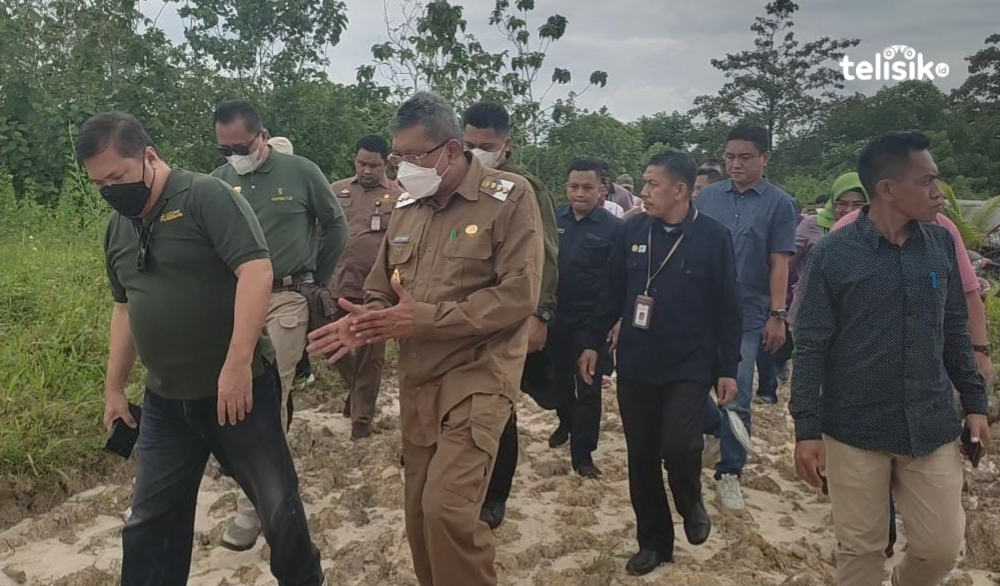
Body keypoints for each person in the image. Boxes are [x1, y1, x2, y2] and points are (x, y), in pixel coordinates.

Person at [307, 91, 543, 586]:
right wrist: (365, 321)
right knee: (417, 517)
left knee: (448, 513)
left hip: (479, 376)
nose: (405, 167)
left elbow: (519, 296)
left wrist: (424, 320)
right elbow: (379, 288)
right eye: (401, 157)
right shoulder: (408, 208)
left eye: (417, 156)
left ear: (453, 151)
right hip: (419, 383)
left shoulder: (510, 197)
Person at [78, 111, 322, 585]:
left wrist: (235, 365)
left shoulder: (205, 196)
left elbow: (256, 271)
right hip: (166, 403)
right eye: (99, 184)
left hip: (238, 396)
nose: (111, 190)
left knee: (279, 513)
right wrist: (113, 387)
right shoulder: (119, 226)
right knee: (149, 525)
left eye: (118, 177)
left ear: (149, 156)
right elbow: (125, 308)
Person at [791, 131, 991, 586]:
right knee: (860, 552)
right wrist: (807, 430)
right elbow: (812, 344)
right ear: (887, 189)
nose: (938, 194)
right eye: (927, 182)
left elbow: (954, 330)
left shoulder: (940, 244)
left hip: (931, 422)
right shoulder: (834, 255)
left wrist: (976, 403)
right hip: (854, 427)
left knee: (939, 550)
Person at [581, 152, 741, 575]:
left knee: (680, 443)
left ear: (680, 190)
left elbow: (728, 307)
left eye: (653, 185)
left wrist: (728, 367)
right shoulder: (631, 229)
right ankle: (654, 542)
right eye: (645, 184)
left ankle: (690, 500)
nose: (644, 192)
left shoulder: (713, 236)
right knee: (643, 455)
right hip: (636, 360)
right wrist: (593, 342)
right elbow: (611, 289)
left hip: (690, 362)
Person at [211, 99, 347, 550]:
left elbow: (335, 225)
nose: (235, 155)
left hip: (288, 297)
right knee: (230, 387)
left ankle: (253, 510)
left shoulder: (301, 172)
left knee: (271, 389)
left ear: (262, 137)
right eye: (225, 148)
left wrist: (317, 279)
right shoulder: (218, 182)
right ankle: (244, 469)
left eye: (242, 146)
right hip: (234, 299)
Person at [463, 100, 560, 529]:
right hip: (462, 314)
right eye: (468, 144)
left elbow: (546, 253)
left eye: (486, 145)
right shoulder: (456, 181)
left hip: (508, 313)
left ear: (507, 144)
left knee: (500, 409)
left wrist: (541, 312)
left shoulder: (523, 186)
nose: (476, 153)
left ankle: (495, 495)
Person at [695, 124, 797, 510]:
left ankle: (730, 473)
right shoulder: (708, 199)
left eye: (745, 157)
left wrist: (778, 313)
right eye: (730, 157)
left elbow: (779, 263)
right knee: (691, 384)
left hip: (749, 314)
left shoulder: (779, 204)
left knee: (736, 394)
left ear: (764, 158)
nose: (736, 164)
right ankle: (710, 436)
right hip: (700, 309)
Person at [543, 159, 622, 478]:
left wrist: (610, 323)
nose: (579, 193)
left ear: (602, 189)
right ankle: (565, 421)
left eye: (587, 187)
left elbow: (615, 283)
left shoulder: (614, 228)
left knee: (588, 388)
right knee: (558, 381)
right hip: (555, 317)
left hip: (592, 321)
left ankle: (583, 454)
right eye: (574, 186)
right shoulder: (553, 219)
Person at [329, 135, 405, 440]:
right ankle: (355, 389)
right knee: (335, 346)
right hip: (337, 283)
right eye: (362, 163)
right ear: (354, 160)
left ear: (385, 163)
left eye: (374, 164)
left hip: (377, 289)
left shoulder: (400, 196)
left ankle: (362, 419)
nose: (368, 170)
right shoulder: (337, 191)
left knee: (372, 356)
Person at [787, 172, 868, 325]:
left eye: (858, 205)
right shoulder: (813, 224)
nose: (849, 209)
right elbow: (785, 264)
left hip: (854, 317)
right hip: (810, 313)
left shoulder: (874, 231)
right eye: (841, 203)